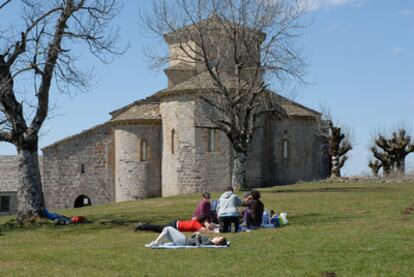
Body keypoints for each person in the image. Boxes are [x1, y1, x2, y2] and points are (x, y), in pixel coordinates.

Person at [145, 226, 227, 247]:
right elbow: (194, 240)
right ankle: (158, 242)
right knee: (168, 232)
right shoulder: (209, 240)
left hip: (184, 241)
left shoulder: (210, 243)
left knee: (168, 229)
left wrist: (198, 236)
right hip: (185, 240)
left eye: (219, 237)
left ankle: (156, 242)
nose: (217, 236)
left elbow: (199, 246)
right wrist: (195, 234)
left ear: (218, 242)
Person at [135, 216, 212, 233]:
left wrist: (205, 223)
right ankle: (142, 226)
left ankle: (143, 226)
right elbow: (205, 231)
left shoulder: (196, 221)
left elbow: (195, 217)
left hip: (176, 224)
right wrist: (209, 227)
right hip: (175, 226)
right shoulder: (196, 224)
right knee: (158, 229)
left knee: (158, 229)